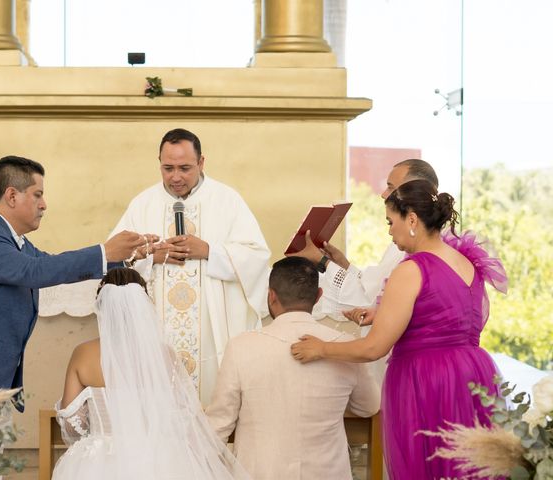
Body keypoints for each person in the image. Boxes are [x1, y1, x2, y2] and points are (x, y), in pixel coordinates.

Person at [291, 179, 508, 479]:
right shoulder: (466, 262)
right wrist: (383, 312)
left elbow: (373, 348)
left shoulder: (411, 269)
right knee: (466, 466)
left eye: (390, 222)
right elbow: (444, 312)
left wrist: (322, 347)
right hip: (472, 375)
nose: (389, 230)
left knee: (427, 466)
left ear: (412, 220)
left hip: (426, 381)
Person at [0, 155, 157, 408]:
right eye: (38, 195)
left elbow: (49, 263)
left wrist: (126, 258)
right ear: (12, 196)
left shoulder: (13, 240)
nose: (44, 205)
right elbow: (35, 270)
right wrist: (104, 252)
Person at [109, 128, 271, 404]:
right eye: (167, 168)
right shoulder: (143, 204)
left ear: (201, 162)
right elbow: (114, 258)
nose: (175, 177)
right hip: (158, 330)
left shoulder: (227, 200)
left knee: (211, 402)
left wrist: (209, 251)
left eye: (185, 168)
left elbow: (256, 256)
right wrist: (150, 257)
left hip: (210, 332)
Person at [53, 267, 250, 480]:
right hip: (161, 458)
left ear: (101, 307)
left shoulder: (83, 354)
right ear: (144, 306)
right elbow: (184, 420)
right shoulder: (165, 356)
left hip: (98, 463)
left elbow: (73, 425)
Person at [206, 257, 380, 480]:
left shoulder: (241, 347)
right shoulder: (344, 345)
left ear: (271, 295)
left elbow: (218, 425)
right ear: (318, 296)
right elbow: (370, 406)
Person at [291, 159, 439, 319]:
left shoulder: (414, 246)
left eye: (390, 187)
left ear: (414, 190)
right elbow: (373, 287)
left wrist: (322, 262)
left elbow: (369, 301)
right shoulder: (417, 238)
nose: (383, 194)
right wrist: (344, 265)